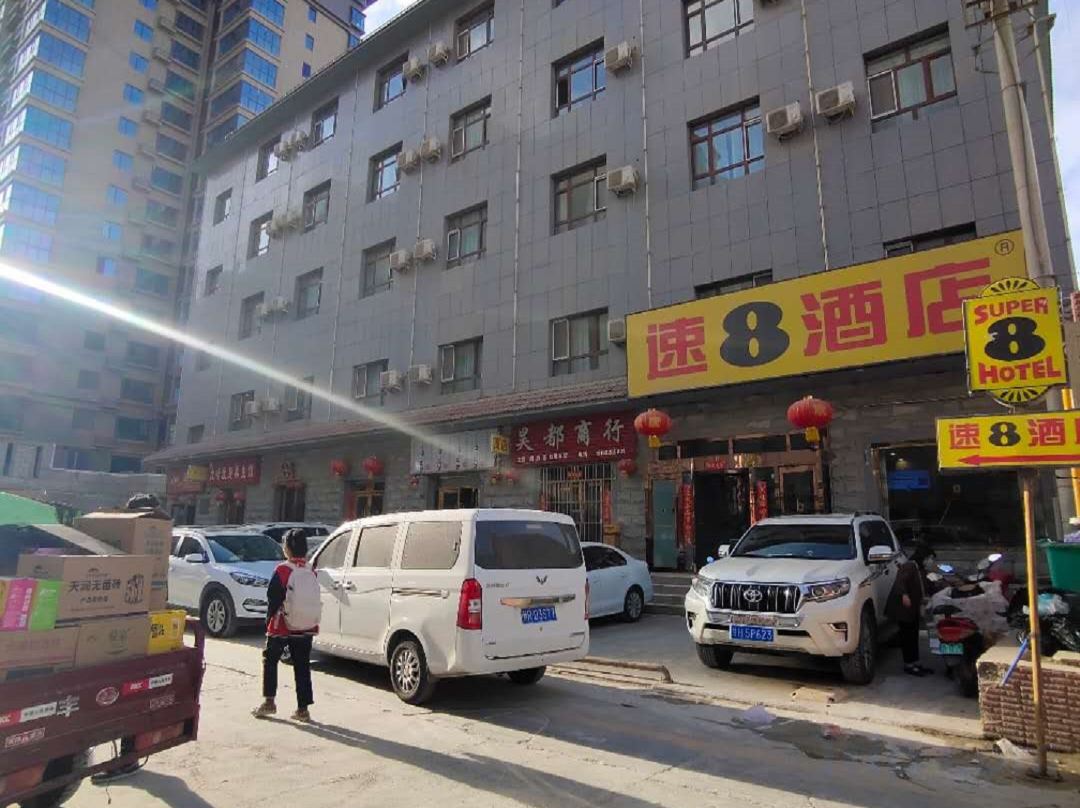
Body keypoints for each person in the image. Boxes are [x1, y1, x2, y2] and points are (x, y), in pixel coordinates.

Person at [253, 529, 319, 722]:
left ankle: (269, 702)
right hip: (306, 624)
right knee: (302, 666)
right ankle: (303, 709)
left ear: (287, 548)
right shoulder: (310, 570)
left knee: (270, 660)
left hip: (282, 624)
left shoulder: (283, 570)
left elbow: (273, 598)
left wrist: (268, 620)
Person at [887, 545, 933, 677]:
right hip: (903, 609)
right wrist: (904, 595)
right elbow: (900, 581)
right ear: (923, 557)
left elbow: (925, 585)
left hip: (912, 609)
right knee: (907, 637)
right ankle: (909, 664)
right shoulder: (909, 566)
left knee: (913, 635)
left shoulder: (920, 570)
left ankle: (915, 662)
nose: (930, 561)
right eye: (929, 558)